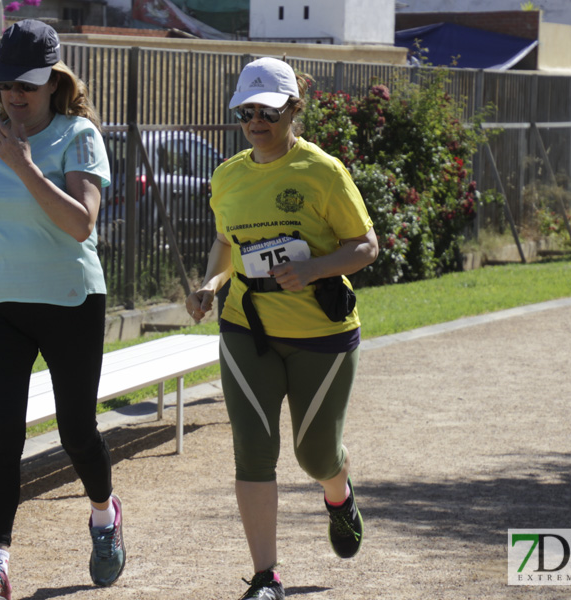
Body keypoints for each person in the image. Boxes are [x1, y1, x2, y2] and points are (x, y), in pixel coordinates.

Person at [0, 19, 124, 600]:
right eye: (5, 82)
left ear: (52, 83)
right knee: (3, 437)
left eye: (28, 84)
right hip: (1, 302)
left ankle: (104, 514)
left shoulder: (78, 136)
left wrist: (24, 164)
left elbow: (79, 223)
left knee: (76, 431)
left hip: (70, 298)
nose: (15, 95)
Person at [185, 57, 379, 600]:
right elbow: (227, 243)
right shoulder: (228, 176)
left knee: (315, 456)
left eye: (268, 110)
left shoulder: (322, 171)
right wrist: (211, 283)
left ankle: (338, 495)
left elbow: (366, 245)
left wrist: (314, 268)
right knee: (253, 449)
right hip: (247, 329)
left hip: (322, 335)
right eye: (247, 111)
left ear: (294, 109)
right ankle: (266, 578)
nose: (256, 121)